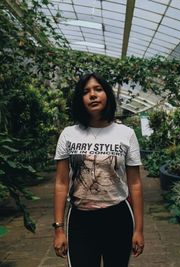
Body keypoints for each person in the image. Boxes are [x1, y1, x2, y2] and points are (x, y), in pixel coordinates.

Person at [53, 73, 144, 267]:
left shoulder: (126, 134)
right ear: (80, 100)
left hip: (118, 217)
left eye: (98, 89)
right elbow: (61, 183)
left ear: (107, 95)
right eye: (86, 92)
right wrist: (59, 229)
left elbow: (135, 184)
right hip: (80, 219)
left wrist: (139, 229)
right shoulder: (69, 134)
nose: (92, 95)